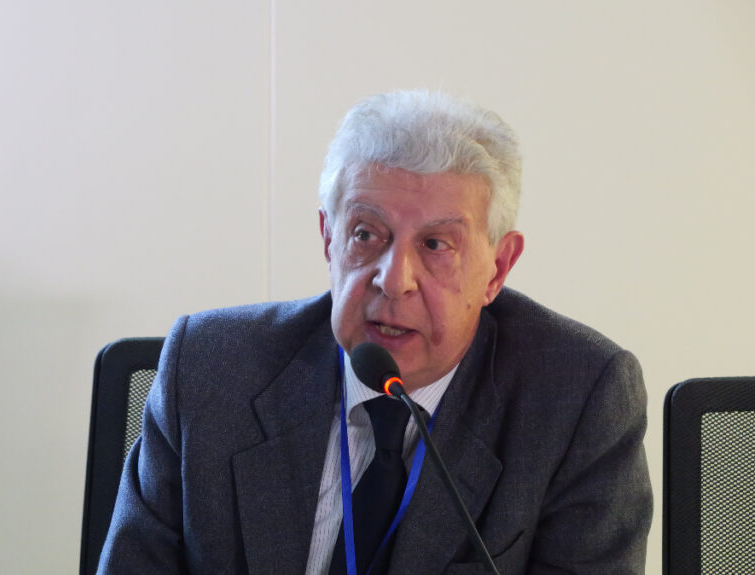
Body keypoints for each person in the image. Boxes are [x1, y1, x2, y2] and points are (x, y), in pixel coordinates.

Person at [98, 90, 652, 574]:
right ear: (328, 238)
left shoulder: (575, 400)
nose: (394, 279)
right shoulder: (210, 370)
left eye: (435, 245)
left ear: (497, 269)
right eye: (366, 234)